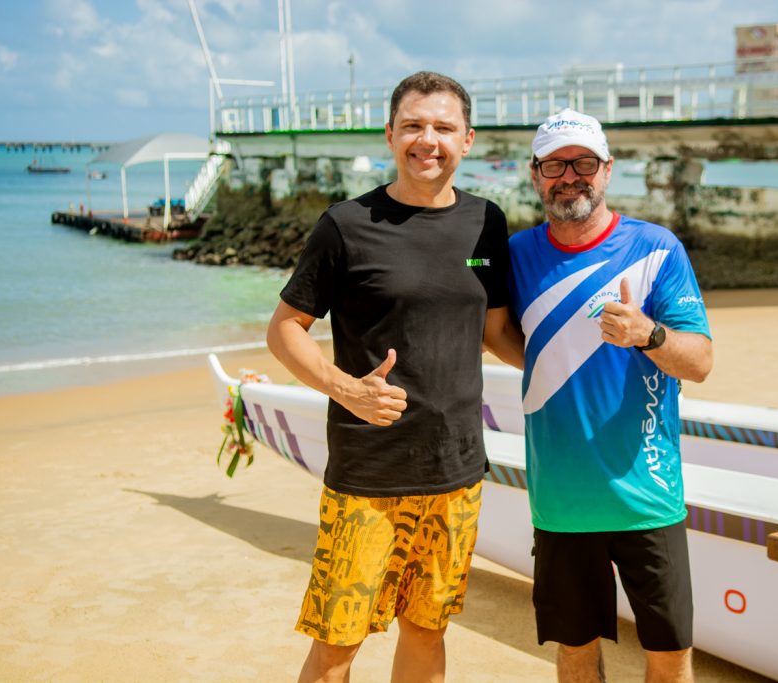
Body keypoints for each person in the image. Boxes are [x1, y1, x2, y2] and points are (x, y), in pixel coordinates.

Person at [267, 71, 523, 683]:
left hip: (455, 470)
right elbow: (284, 329)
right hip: (369, 474)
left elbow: (496, 335)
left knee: (428, 631)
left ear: (467, 140)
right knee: (337, 643)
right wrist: (344, 387)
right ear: (390, 135)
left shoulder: (487, 223)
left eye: (442, 127)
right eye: (413, 125)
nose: (426, 139)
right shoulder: (346, 225)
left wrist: (581, 359)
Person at [507, 109, 713, 683]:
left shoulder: (657, 248)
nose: (569, 176)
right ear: (535, 175)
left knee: (670, 654)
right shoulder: (513, 255)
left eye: (584, 163)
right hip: (561, 500)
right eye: (555, 164)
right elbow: (493, 329)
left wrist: (646, 334)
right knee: (575, 650)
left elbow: (699, 363)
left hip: (649, 493)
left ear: (607, 170)